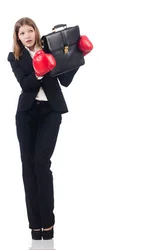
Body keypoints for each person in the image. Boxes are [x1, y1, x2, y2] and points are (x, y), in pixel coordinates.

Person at [7, 17, 93, 240]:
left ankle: (48, 223)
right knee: (28, 167)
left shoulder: (50, 47)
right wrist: (38, 71)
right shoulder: (14, 57)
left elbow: (64, 80)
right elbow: (26, 85)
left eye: (30, 31)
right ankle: (35, 226)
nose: (27, 36)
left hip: (51, 112)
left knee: (41, 163)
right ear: (17, 37)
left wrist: (78, 56)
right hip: (26, 115)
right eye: (22, 33)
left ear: (36, 31)